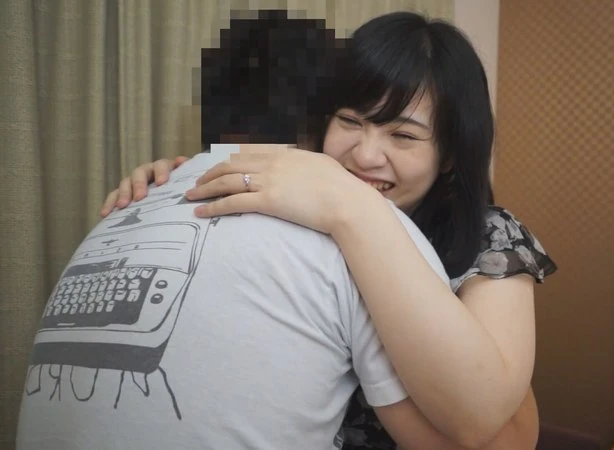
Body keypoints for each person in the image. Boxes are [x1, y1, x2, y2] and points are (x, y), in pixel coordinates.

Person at [16, 11, 491, 450]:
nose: (365, 156)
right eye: (350, 120)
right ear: (320, 119)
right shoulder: (355, 228)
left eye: (402, 135)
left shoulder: (126, 211)